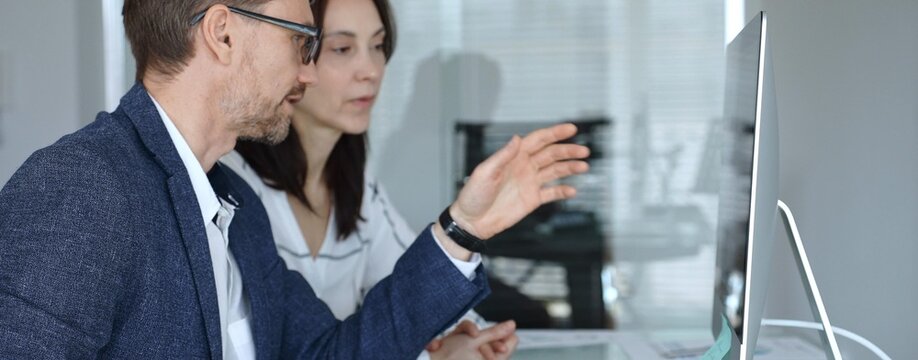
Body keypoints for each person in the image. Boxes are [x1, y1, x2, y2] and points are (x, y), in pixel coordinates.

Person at [0, 0, 591, 358]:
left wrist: (465, 228)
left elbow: (331, 354)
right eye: (300, 40)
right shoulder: (81, 190)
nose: (309, 73)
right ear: (223, 33)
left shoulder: (236, 212)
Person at [222, 0, 516, 358]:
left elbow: (418, 284)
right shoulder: (231, 188)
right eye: (342, 49)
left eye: (377, 46)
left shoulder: (358, 189)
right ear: (292, 54)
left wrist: (471, 335)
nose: (370, 71)